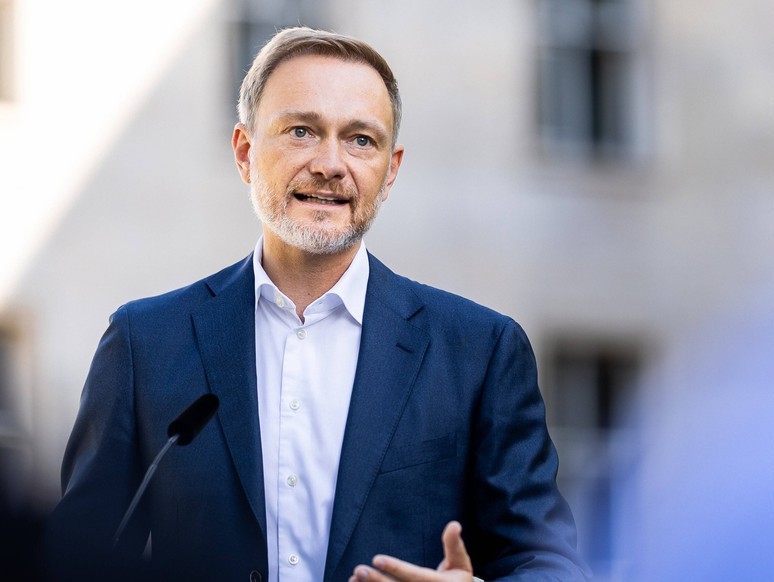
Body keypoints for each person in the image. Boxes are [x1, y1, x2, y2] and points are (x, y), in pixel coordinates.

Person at [44, 27, 586, 582]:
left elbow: (547, 564)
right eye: (302, 131)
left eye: (360, 140)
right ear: (245, 152)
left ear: (391, 169)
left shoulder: (481, 353)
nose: (330, 163)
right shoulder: (144, 344)